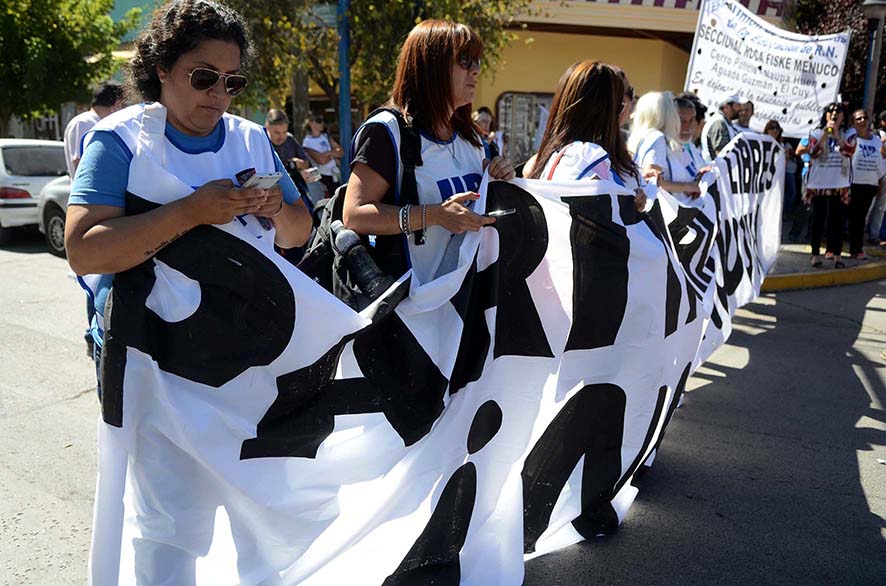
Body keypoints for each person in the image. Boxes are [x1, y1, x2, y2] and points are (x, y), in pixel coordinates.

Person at [65, 0, 312, 377]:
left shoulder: (252, 140)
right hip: (148, 359)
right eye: (203, 77)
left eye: (233, 81)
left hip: (243, 351)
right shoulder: (119, 139)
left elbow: (299, 234)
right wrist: (191, 211)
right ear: (162, 67)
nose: (219, 93)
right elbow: (83, 252)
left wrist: (276, 208)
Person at [343, 20, 515, 285]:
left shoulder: (473, 139)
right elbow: (354, 215)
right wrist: (434, 215)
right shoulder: (386, 132)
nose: (477, 70)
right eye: (465, 60)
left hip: (465, 305)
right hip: (410, 308)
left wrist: (502, 179)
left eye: (478, 61)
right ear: (432, 65)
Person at [523, 60, 647, 212]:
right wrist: (628, 203)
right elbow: (604, 216)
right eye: (618, 104)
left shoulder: (557, 154)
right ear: (603, 109)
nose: (622, 109)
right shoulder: (587, 156)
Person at [63, 81, 126, 359]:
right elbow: (83, 163)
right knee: (95, 278)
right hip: (89, 203)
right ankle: (94, 333)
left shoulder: (85, 121)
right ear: (115, 103)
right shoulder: (89, 123)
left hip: (89, 201)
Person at [796, 102, 856, 267]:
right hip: (819, 183)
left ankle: (837, 254)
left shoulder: (849, 133)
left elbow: (849, 152)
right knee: (818, 219)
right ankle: (815, 254)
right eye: (830, 112)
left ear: (843, 116)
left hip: (839, 182)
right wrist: (825, 135)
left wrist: (836, 134)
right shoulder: (815, 132)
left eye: (838, 112)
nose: (833, 115)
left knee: (837, 220)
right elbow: (813, 153)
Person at [628, 91, 701, 203]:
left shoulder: (642, 136)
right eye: (671, 109)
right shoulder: (656, 137)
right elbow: (651, 180)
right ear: (663, 113)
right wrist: (687, 186)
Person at [848, 109, 885, 259]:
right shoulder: (850, 138)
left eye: (864, 118)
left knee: (861, 218)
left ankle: (857, 249)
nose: (862, 121)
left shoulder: (877, 140)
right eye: (858, 118)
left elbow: (880, 163)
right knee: (849, 217)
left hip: (870, 185)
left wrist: (880, 182)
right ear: (853, 122)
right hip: (852, 184)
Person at [302, 113, 343, 197]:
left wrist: (328, 153)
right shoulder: (307, 142)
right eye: (319, 121)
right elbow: (321, 161)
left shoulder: (325, 136)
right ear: (311, 123)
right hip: (320, 177)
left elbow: (341, 152)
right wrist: (333, 155)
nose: (322, 123)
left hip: (333, 175)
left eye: (322, 121)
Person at [702, 94, 741, 161]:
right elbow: (721, 154)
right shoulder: (719, 124)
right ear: (726, 107)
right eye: (737, 106)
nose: (740, 109)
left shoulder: (725, 122)